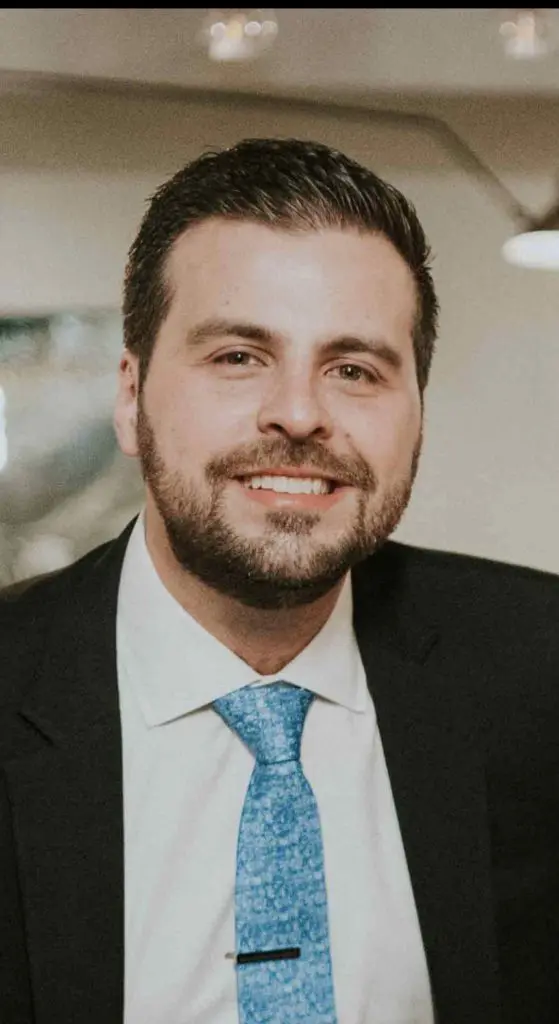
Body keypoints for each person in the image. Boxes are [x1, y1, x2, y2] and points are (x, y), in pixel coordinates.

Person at [1, 137, 558, 1024]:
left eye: (353, 370)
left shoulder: (536, 668)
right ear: (131, 398)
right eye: (237, 357)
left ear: (417, 416)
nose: (298, 414)